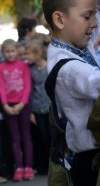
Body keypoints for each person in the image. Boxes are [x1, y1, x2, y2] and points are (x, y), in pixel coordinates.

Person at [42, 0, 100, 186]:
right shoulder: (68, 68)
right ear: (59, 20)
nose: (94, 24)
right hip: (93, 162)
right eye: (87, 16)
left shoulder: (74, 44)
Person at [0, 39, 33, 182]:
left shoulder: (23, 66)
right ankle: (18, 167)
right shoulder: (1, 67)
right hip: (9, 106)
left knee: (26, 137)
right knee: (15, 139)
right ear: (2, 53)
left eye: (12, 51)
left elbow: (27, 86)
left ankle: (28, 166)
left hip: (23, 105)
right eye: (7, 52)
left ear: (16, 52)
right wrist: (5, 105)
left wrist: (22, 103)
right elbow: (1, 87)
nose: (10, 54)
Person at [25, 39, 51, 175]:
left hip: (51, 108)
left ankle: (54, 165)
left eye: (28, 53)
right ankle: (43, 166)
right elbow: (29, 91)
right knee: (41, 137)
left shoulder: (50, 66)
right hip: (37, 109)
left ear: (37, 53)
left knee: (51, 137)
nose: (26, 56)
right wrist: (30, 113)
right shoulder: (30, 70)